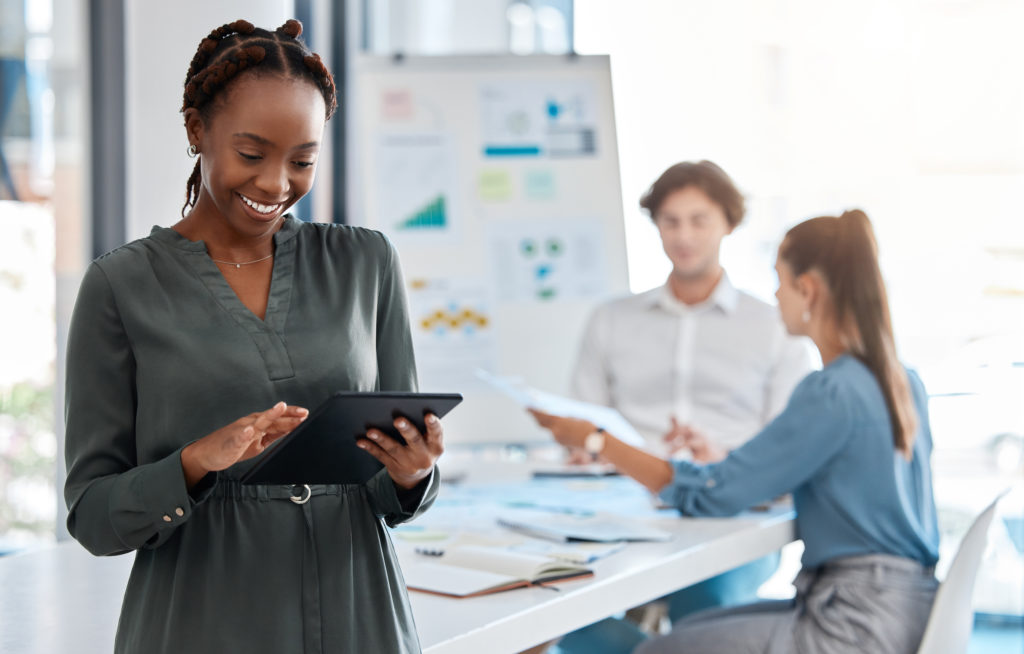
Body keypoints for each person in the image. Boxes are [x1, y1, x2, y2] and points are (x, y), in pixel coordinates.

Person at [63, 20, 443, 654]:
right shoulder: (120, 285)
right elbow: (92, 516)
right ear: (196, 131)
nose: (276, 184)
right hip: (200, 618)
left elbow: (388, 482)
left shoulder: (365, 263)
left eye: (303, 160)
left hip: (359, 615)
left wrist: (413, 475)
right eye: (251, 154)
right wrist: (195, 463)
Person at [534, 209, 940, 654]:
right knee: (692, 630)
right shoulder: (900, 380)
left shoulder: (830, 392)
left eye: (779, 281)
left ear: (808, 290)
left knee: (657, 649)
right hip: (901, 609)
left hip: (852, 623)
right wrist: (728, 465)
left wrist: (597, 440)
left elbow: (710, 493)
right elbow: (832, 479)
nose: (775, 294)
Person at [540, 161, 812, 646]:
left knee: (704, 606)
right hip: (622, 508)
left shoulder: (775, 327)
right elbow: (585, 423)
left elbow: (786, 452)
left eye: (698, 220)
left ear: (728, 223)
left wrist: (724, 461)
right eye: (671, 221)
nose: (683, 235)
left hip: (730, 514)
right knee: (551, 604)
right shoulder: (611, 319)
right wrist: (583, 448)